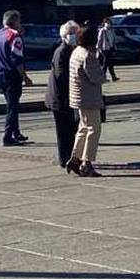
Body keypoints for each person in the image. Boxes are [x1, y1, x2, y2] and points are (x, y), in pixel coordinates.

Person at [67, 25, 105, 177]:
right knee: (94, 130)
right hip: (89, 98)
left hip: (78, 97)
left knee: (83, 128)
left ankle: (75, 158)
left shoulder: (76, 52)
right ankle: (87, 163)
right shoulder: (88, 56)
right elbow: (96, 77)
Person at [0, 10, 33, 146]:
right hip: (12, 74)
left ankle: (16, 132)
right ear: (15, 21)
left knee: (11, 103)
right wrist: (25, 76)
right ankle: (7, 136)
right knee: (13, 106)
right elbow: (17, 58)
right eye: (19, 20)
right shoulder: (14, 35)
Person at [45, 21, 80, 170]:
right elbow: (62, 76)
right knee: (64, 130)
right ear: (64, 36)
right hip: (60, 98)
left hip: (65, 97)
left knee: (71, 129)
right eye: (72, 34)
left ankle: (70, 157)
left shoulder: (71, 49)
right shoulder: (62, 51)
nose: (75, 37)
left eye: (76, 33)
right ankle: (64, 158)